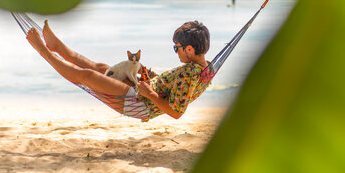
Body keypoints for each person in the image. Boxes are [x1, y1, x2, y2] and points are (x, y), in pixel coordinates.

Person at [26, 20, 211, 122]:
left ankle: (42, 50)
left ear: (189, 49)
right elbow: (176, 90)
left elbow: (176, 112)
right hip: (141, 94)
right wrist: (154, 78)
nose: (176, 51)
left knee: (88, 76)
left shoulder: (190, 74)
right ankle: (57, 46)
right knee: (101, 68)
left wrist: (151, 93)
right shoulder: (202, 68)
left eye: (176, 47)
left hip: (139, 102)